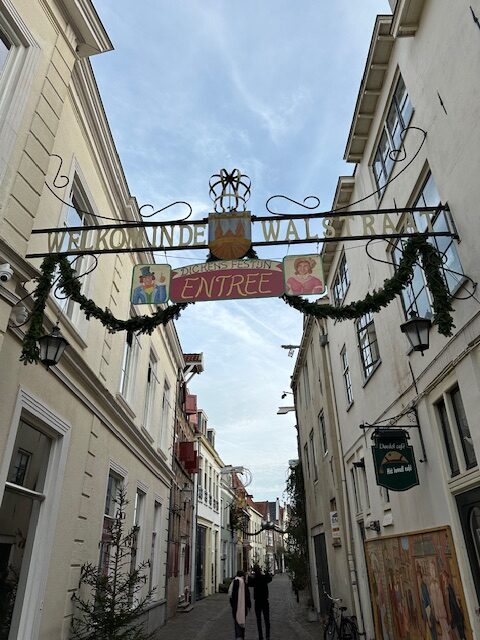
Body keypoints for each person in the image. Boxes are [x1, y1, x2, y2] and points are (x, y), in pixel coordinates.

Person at [247, 564, 272, 640]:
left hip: (257, 601)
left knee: (259, 620)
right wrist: (266, 572)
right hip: (265, 601)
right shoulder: (263, 577)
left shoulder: (255, 579)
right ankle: (267, 636)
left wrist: (249, 575)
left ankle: (260, 636)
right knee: (267, 619)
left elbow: (249, 583)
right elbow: (270, 579)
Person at [229, 570, 251, 640]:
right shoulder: (244, 583)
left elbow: (230, 594)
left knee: (236, 622)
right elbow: (247, 595)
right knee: (242, 621)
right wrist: (249, 605)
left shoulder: (234, 582)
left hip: (235, 607)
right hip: (243, 607)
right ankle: (242, 636)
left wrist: (232, 604)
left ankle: (238, 637)